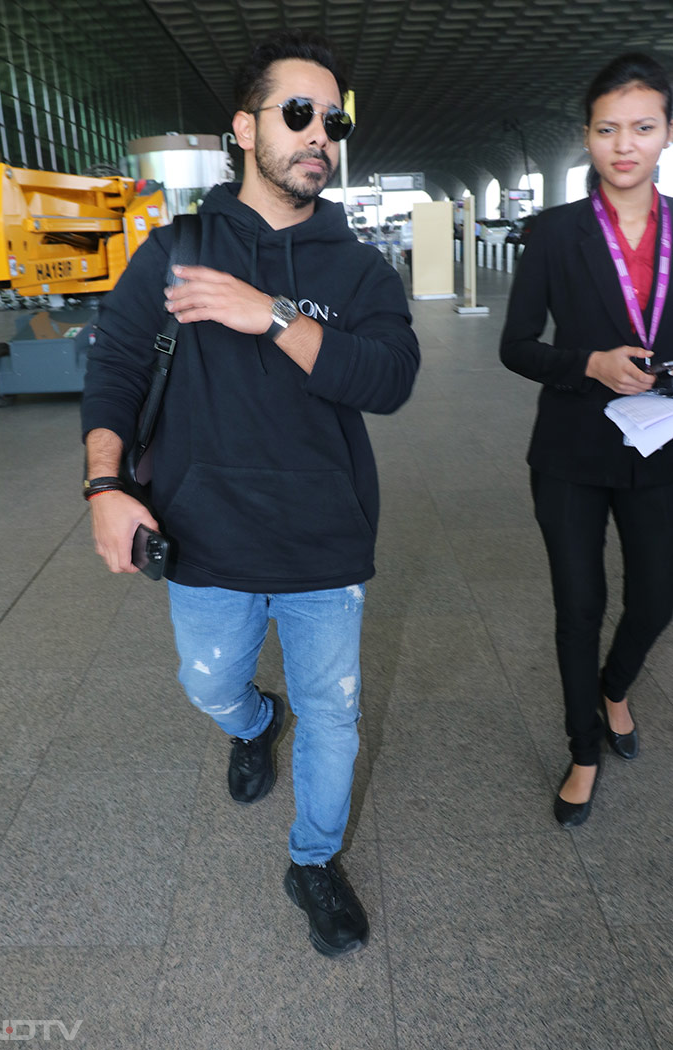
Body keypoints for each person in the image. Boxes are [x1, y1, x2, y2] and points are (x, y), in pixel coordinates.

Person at [81, 30, 420, 955]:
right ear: (244, 127)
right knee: (209, 685)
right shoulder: (178, 248)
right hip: (202, 536)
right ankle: (252, 720)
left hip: (323, 543)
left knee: (337, 716)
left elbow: (390, 379)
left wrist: (268, 316)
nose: (321, 135)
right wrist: (104, 484)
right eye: (299, 113)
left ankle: (312, 859)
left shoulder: (355, 268)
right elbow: (113, 368)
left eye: (334, 120)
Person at [500, 53, 673, 828]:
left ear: (666, 133)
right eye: (608, 129)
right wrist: (590, 364)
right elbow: (516, 345)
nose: (624, 144)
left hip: (662, 443)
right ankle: (582, 749)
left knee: (658, 596)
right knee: (579, 602)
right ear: (587, 137)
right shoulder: (556, 234)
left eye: (642, 127)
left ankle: (615, 684)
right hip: (571, 448)